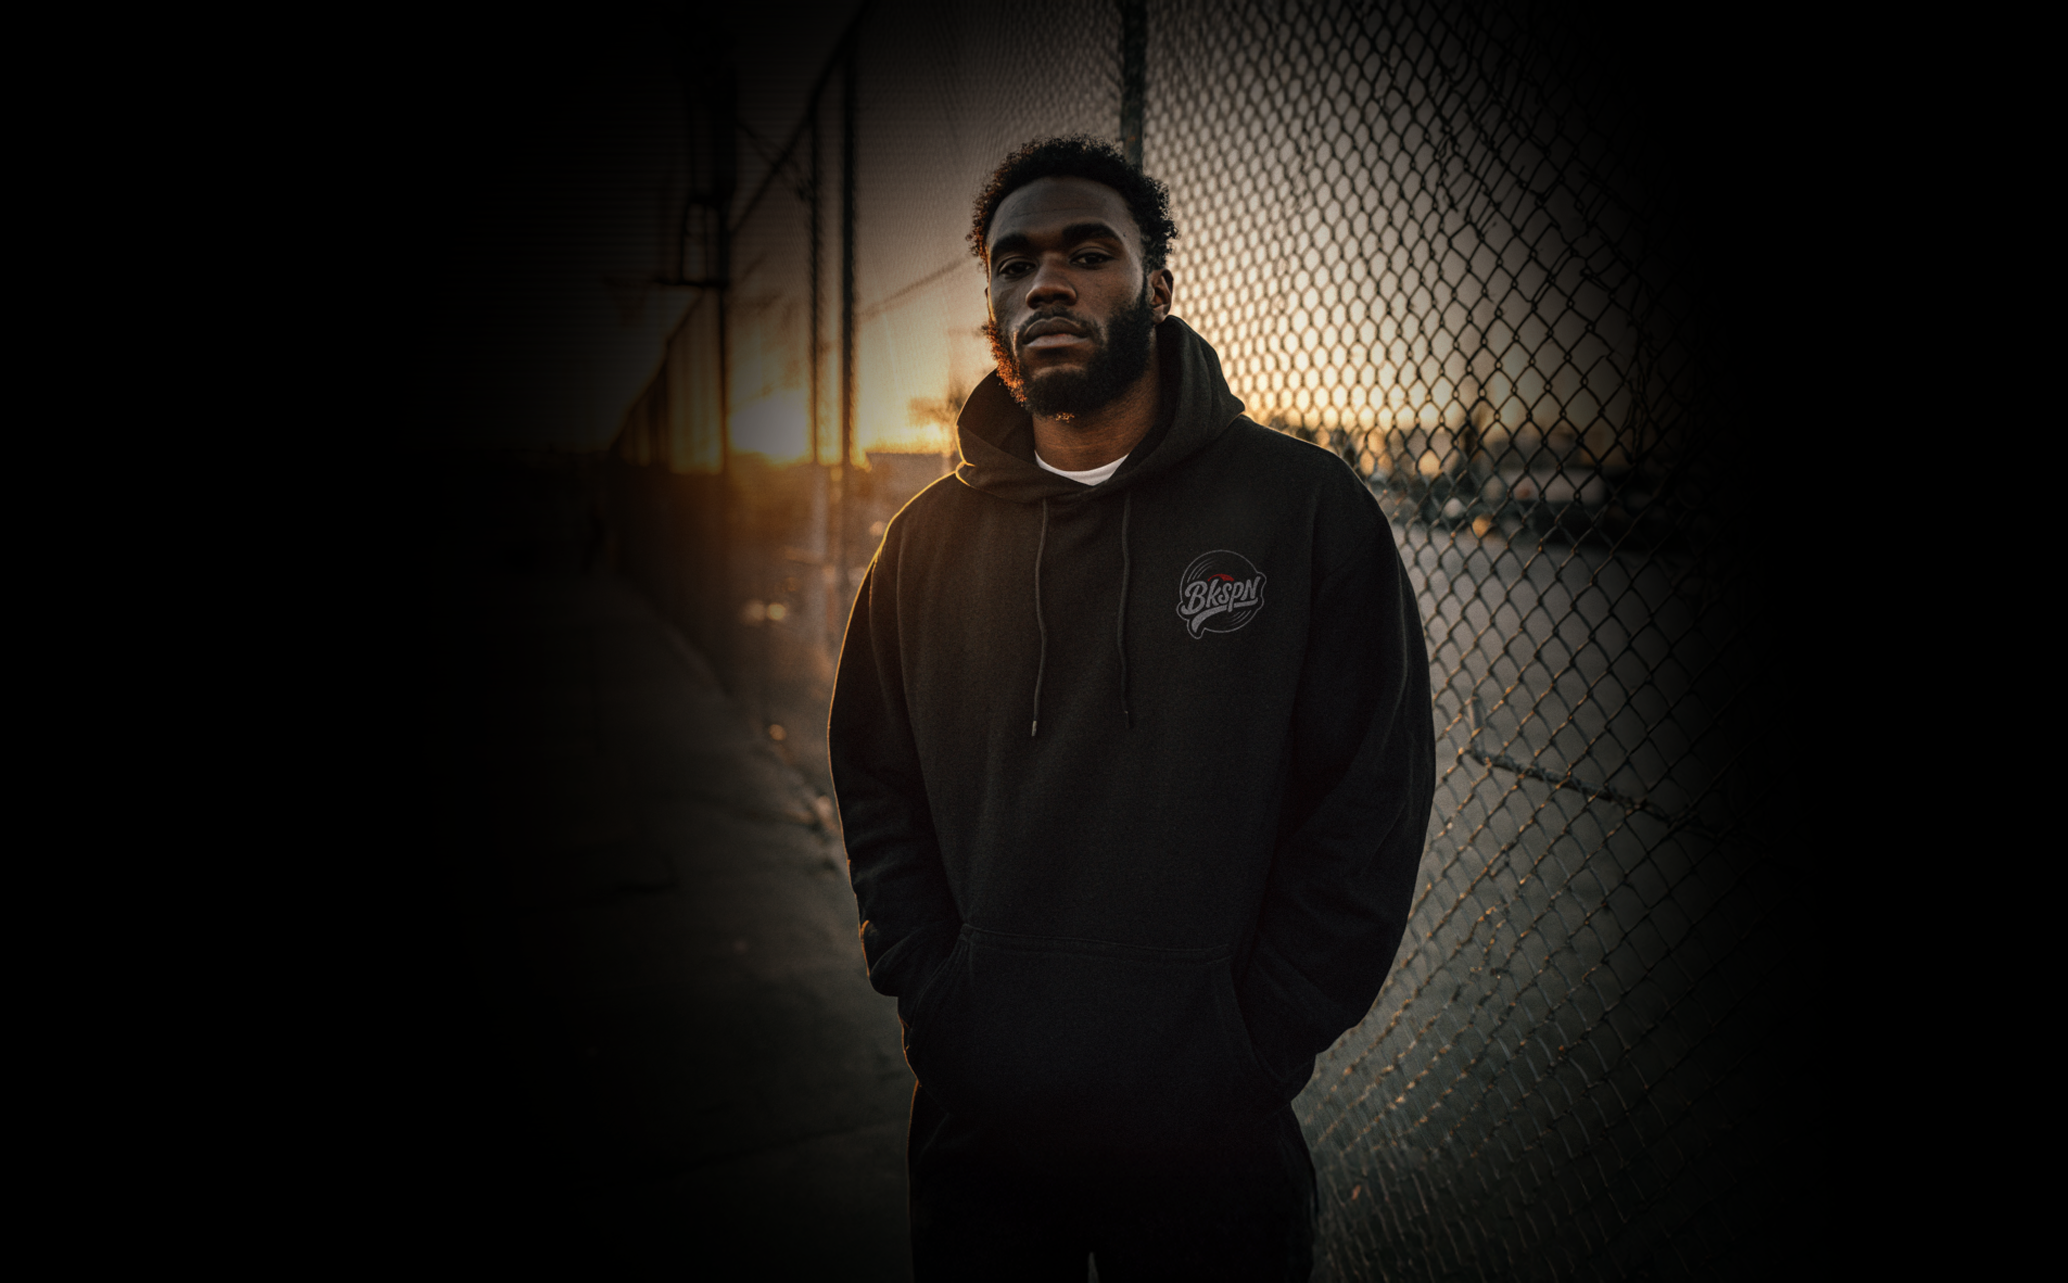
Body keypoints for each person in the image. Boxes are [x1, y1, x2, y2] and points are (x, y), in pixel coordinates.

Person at [828, 136, 1435, 1282]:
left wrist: (1255, 1036)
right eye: (1013, 265)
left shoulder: (1301, 511)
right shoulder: (922, 544)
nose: (1042, 281)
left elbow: (1368, 799)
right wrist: (937, 993)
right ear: (994, 314)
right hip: (981, 1120)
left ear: (1157, 290)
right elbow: (875, 780)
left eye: (1085, 252)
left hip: (1211, 1125)